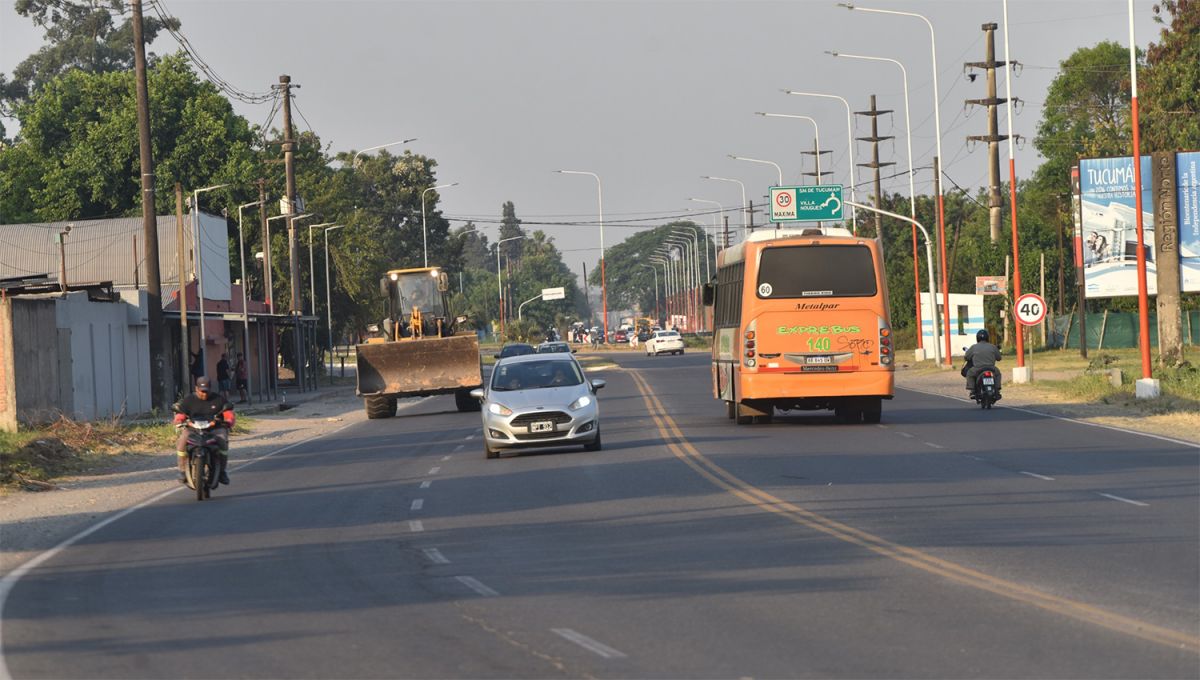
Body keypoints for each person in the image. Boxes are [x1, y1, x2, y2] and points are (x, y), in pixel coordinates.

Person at [172, 377, 235, 485]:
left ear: (210, 389)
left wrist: (229, 421)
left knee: (223, 441)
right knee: (181, 443)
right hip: (193, 428)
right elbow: (181, 414)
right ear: (196, 388)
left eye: (206, 391)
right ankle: (182, 471)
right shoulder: (188, 400)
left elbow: (228, 413)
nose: (204, 394)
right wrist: (178, 421)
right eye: (202, 391)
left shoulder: (218, 399)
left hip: (215, 428)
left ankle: (222, 472)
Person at [962, 329, 1002, 397]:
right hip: (991, 368)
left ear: (977, 338)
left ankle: (973, 391)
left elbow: (966, 357)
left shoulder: (974, 347)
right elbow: (999, 358)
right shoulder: (993, 346)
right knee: (998, 374)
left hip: (977, 369)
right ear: (987, 337)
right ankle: (997, 390)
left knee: (969, 373)